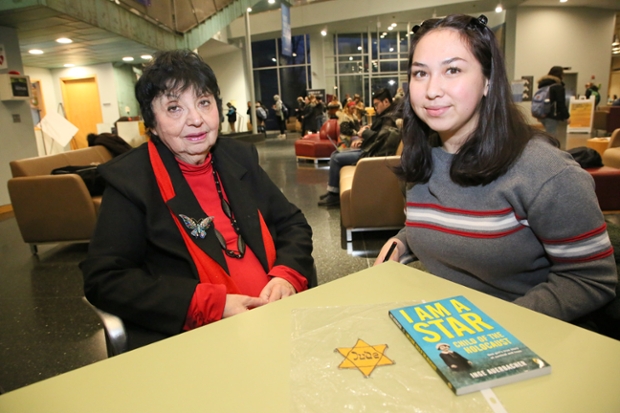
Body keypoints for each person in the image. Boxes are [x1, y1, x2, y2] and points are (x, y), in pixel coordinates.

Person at [374, 14, 616, 324]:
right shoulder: (422, 157)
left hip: (532, 336)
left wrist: (493, 326)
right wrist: (401, 245)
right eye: (421, 73)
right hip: (449, 326)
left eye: (452, 70)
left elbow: (591, 280)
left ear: (488, 81)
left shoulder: (546, 172)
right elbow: (446, 222)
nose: (432, 89)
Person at [81, 50, 315, 350]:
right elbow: (105, 280)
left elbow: (292, 223)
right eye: (175, 108)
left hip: (279, 319)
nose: (196, 119)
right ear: (151, 124)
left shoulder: (238, 157)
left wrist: (285, 276)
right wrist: (210, 305)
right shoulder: (131, 181)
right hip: (198, 341)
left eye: (204, 103)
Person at [318, 88, 400, 207]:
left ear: (386, 102)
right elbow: (380, 138)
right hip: (371, 150)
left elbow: (380, 139)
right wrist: (364, 137)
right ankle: (332, 190)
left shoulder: (389, 119)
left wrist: (364, 133)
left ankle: (334, 196)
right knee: (336, 154)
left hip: (372, 155)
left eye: (377, 105)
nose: (376, 108)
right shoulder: (389, 116)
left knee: (335, 158)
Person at [535, 66, 570, 148]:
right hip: (552, 115)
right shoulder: (557, 86)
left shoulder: (543, 85)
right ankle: (551, 155)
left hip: (542, 113)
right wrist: (566, 116)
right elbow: (560, 102)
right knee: (552, 137)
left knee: (549, 135)